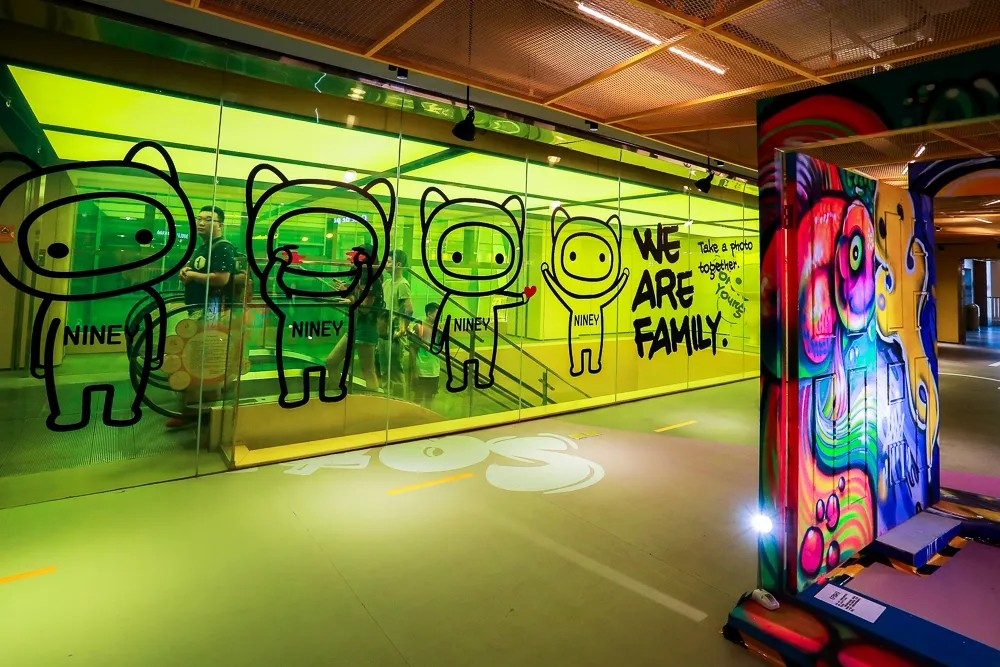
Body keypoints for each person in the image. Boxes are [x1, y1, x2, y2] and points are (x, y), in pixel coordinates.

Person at [167, 205, 235, 428]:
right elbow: (196, 269)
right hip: (200, 308)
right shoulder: (204, 247)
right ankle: (198, 409)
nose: (201, 223)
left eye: (208, 219)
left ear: (220, 224)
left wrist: (193, 275)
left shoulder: (222, 247)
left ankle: (198, 411)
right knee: (199, 358)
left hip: (211, 309)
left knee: (199, 359)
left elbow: (222, 279)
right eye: (199, 219)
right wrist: (185, 272)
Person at [324, 244, 383, 394]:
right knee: (331, 361)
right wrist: (349, 289)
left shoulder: (372, 280)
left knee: (368, 370)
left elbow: (365, 308)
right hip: (354, 326)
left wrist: (349, 295)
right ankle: (338, 393)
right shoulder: (360, 277)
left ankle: (373, 401)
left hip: (366, 329)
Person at [378, 249, 414, 392]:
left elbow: (409, 309)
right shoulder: (387, 283)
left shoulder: (402, 284)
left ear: (398, 265)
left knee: (395, 371)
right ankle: (386, 397)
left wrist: (401, 329)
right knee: (384, 370)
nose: (385, 264)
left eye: (389, 261)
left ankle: (398, 400)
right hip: (383, 330)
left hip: (394, 333)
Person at [409, 302, 441, 406]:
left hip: (434, 369)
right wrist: (414, 370)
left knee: (429, 398)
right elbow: (412, 349)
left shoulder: (439, 329)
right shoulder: (419, 327)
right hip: (421, 369)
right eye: (437, 314)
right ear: (429, 313)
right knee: (418, 397)